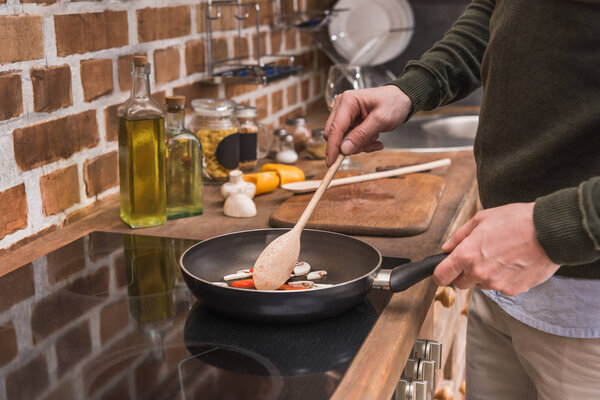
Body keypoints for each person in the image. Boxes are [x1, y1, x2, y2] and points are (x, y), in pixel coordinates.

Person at [323, 0, 600, 399]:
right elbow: (497, 12)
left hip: (586, 311)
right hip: (502, 287)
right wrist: (412, 89)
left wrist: (555, 229)